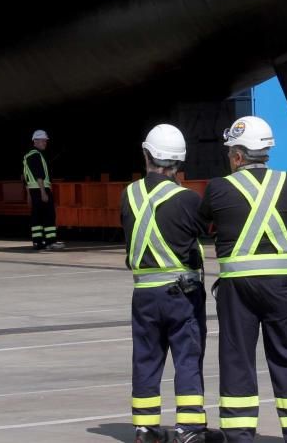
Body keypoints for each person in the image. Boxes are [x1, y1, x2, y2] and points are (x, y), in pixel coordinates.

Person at [199, 116, 287, 443]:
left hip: (238, 289)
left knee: (237, 360)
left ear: (237, 156)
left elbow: (203, 221)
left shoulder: (219, 187)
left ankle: (238, 435)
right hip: (285, 286)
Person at [122, 124, 208, 443]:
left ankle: (145, 428)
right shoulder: (187, 198)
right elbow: (198, 237)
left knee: (146, 357)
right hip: (181, 292)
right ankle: (189, 428)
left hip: (143, 291)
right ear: (179, 163)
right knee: (187, 356)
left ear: (146, 155)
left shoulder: (127, 196)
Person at [22, 129, 63, 250]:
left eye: (45, 141)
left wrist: (29, 194)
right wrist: (43, 192)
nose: (45, 143)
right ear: (35, 141)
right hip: (41, 189)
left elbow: (25, 177)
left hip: (34, 190)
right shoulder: (36, 155)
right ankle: (51, 241)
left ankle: (38, 242)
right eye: (43, 141)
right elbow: (38, 174)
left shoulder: (27, 156)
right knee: (49, 215)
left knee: (37, 216)